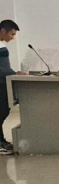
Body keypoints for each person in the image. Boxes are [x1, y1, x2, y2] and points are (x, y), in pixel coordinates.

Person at [0, 19, 26, 155]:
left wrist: (13, 73)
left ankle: (1, 141)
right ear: (3, 30)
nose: (12, 38)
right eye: (12, 34)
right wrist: (14, 73)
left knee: (3, 111)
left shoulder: (1, 44)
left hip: (3, 83)